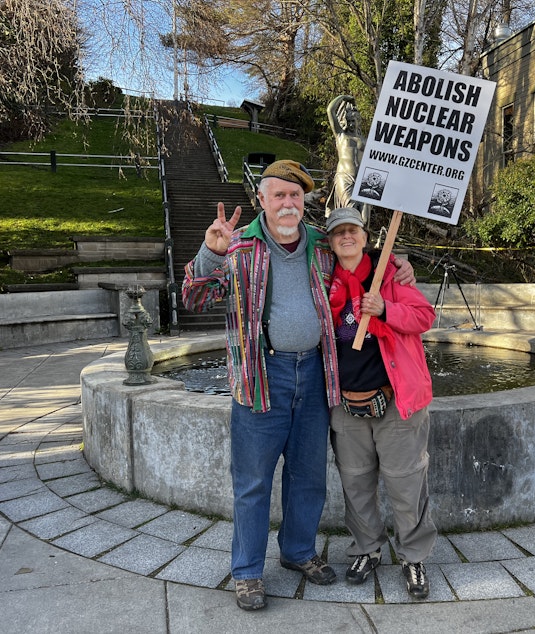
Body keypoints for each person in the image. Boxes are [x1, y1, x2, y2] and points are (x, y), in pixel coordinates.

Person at [181, 160, 414, 611]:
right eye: (279, 195)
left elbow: (360, 264)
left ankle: (298, 551)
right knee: (252, 481)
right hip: (260, 377)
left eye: (295, 196)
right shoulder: (239, 246)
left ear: (302, 201)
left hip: (315, 373)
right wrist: (210, 253)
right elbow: (193, 299)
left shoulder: (321, 247)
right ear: (262, 200)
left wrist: (399, 266)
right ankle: (247, 570)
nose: (288, 203)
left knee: (308, 475)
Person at [324, 206, 438, 600]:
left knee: (406, 482)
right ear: (331, 241)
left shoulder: (390, 274)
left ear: (366, 236)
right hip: (345, 403)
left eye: (353, 230)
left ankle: (413, 556)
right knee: (355, 482)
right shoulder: (323, 282)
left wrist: (386, 309)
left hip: (396, 400)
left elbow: (425, 315)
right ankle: (366, 549)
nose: (347, 237)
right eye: (339, 232)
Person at [327, 95, 370, 224]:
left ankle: (364, 243)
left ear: (359, 121)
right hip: (345, 177)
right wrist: (344, 97)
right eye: (348, 120)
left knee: (365, 219)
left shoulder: (366, 140)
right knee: (351, 214)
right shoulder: (340, 135)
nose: (351, 124)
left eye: (353, 120)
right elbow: (330, 110)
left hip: (363, 180)